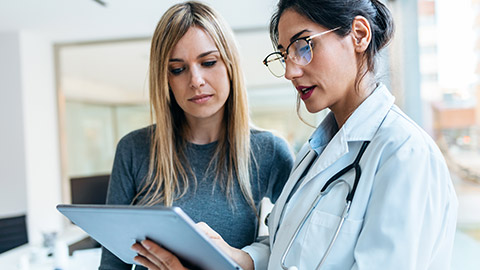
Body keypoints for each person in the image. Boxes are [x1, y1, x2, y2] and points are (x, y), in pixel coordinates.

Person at [131, 0, 458, 269]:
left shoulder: (403, 154)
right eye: (284, 53)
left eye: (304, 46)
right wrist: (234, 257)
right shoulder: (314, 153)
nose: (290, 70)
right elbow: (284, 249)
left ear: (359, 34)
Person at [99, 1, 294, 269]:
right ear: (165, 79)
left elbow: (296, 247)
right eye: (178, 69)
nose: (196, 80)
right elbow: (112, 264)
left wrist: (248, 259)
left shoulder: (268, 151)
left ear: (230, 65)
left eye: (208, 62)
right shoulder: (134, 149)